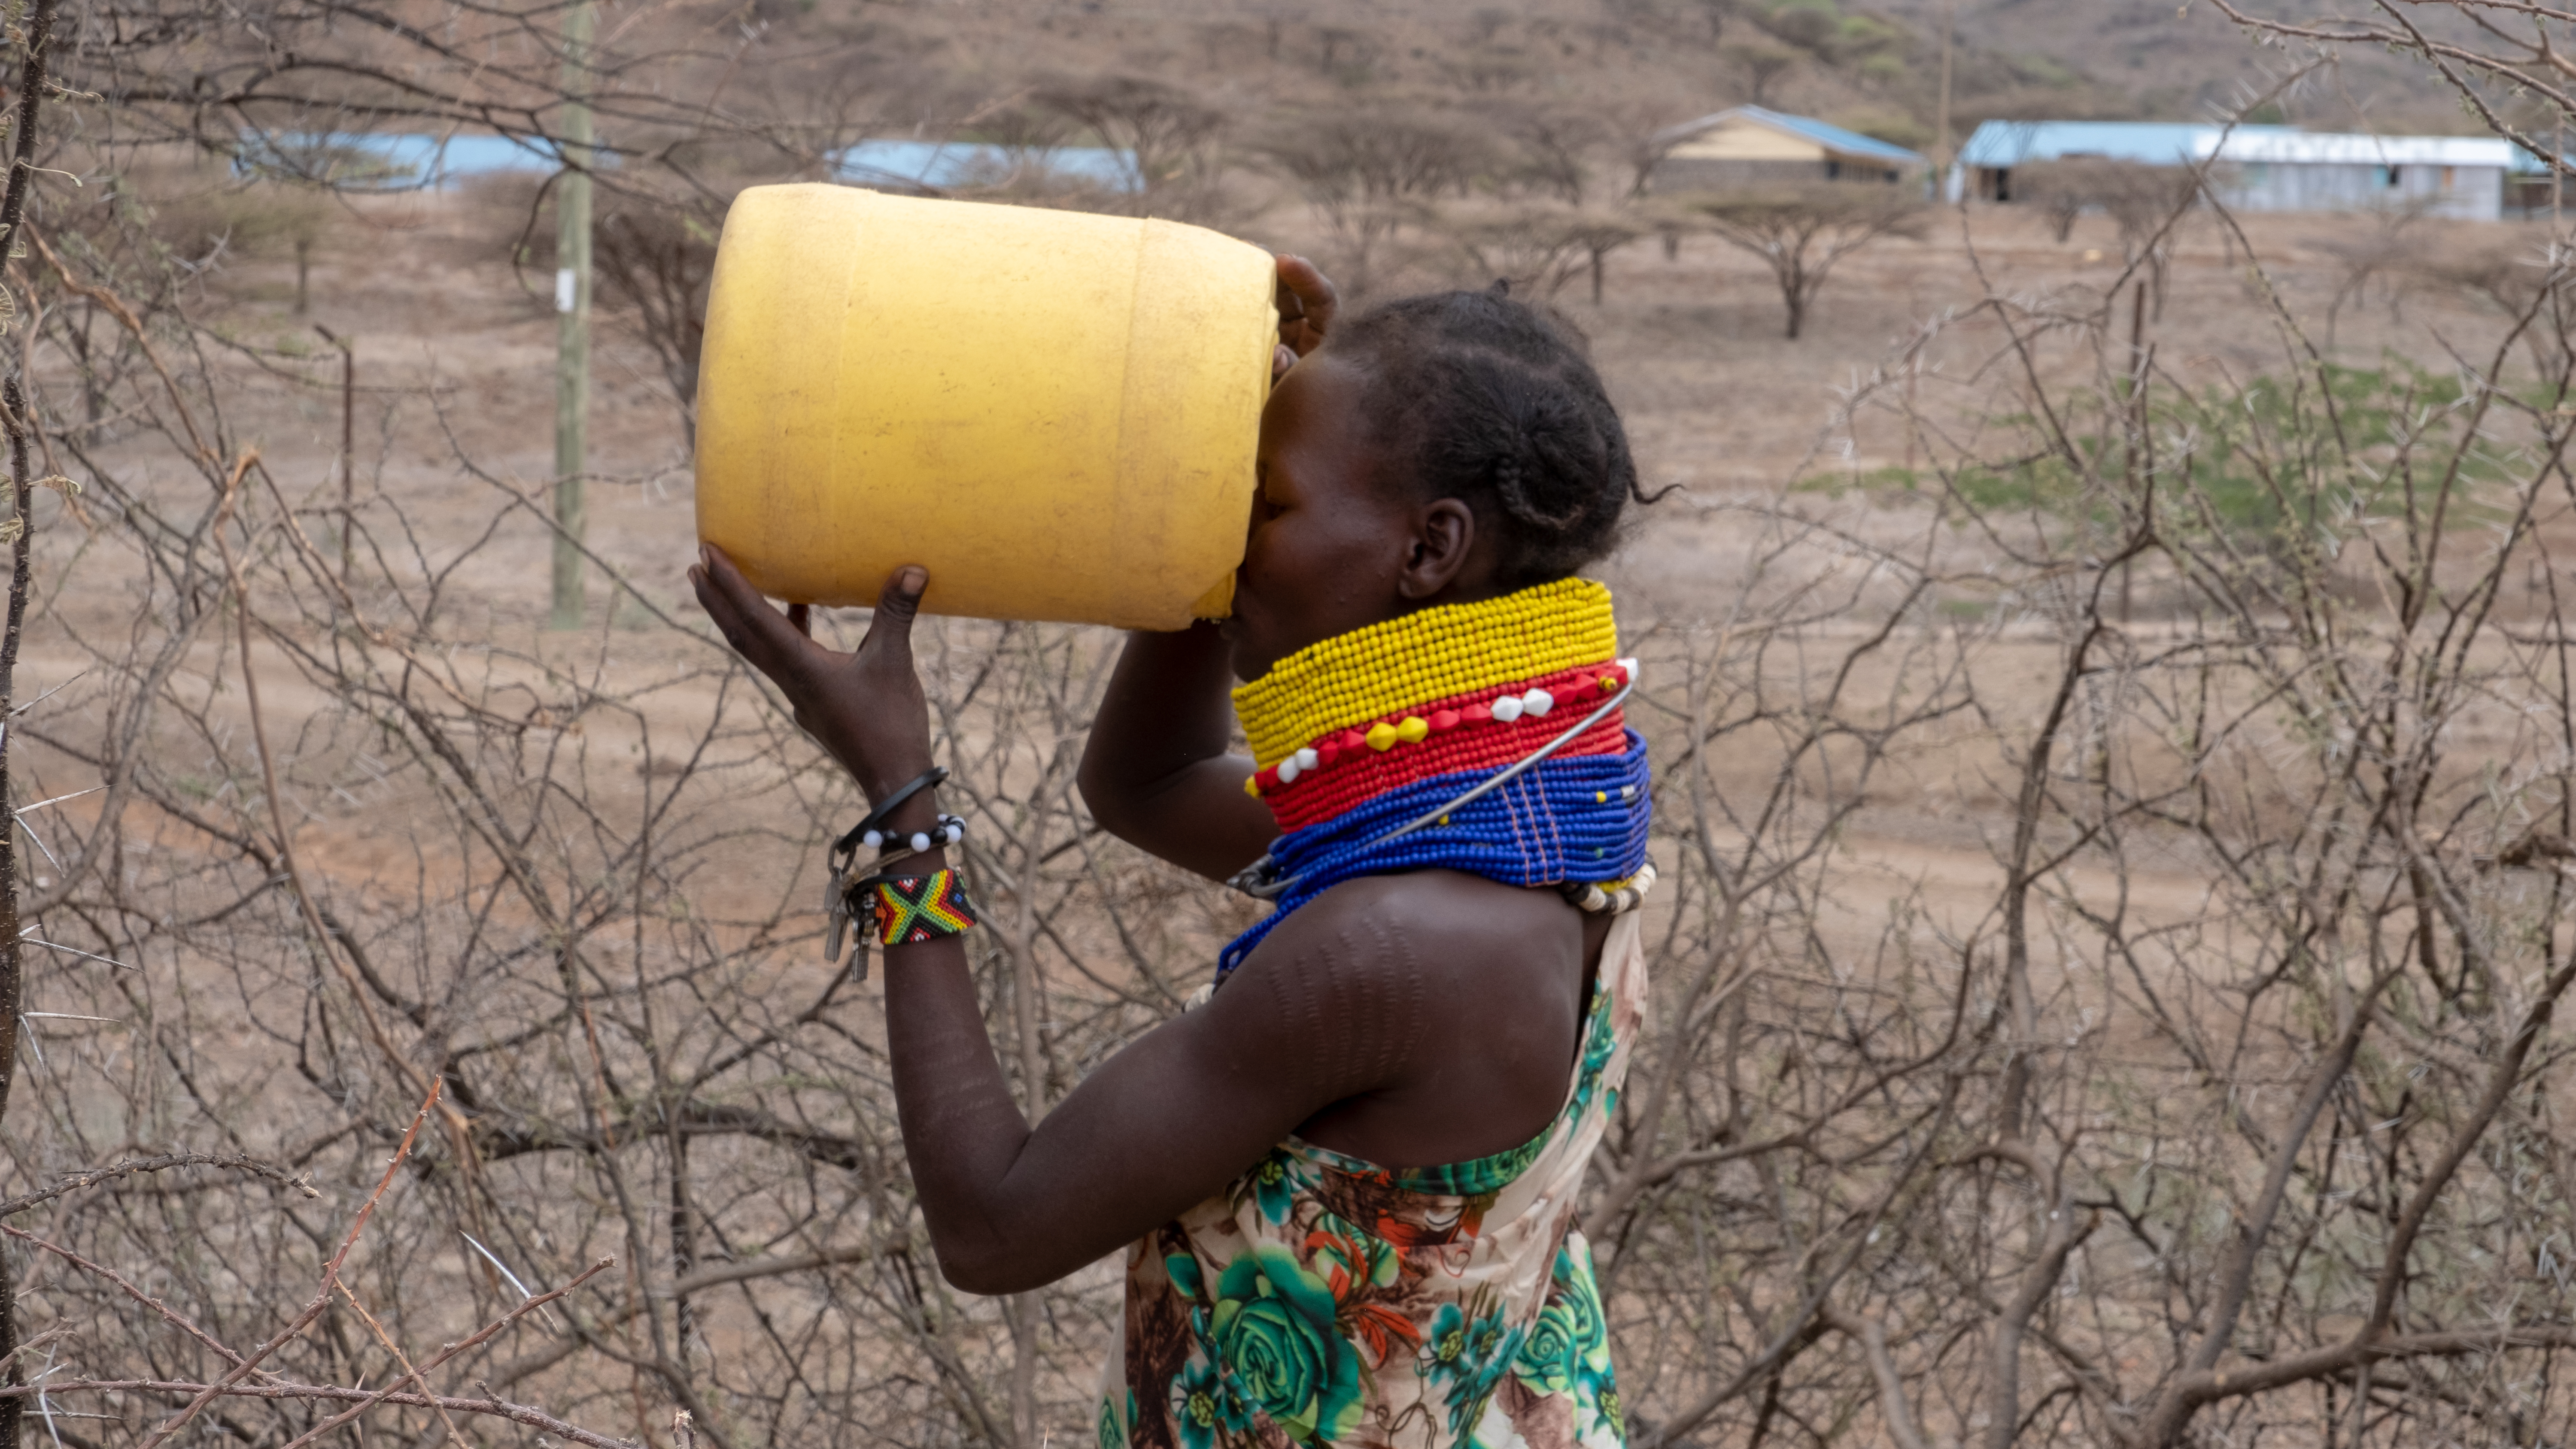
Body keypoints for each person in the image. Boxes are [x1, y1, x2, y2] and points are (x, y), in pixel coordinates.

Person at [691, 256, 1657, 1449]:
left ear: (1429, 548)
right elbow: (1142, 787)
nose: (1221, 535)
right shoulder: (1538, 814)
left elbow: (993, 1228)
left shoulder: (1386, 949)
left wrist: (900, 801)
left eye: (1261, 505)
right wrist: (1198, 469)